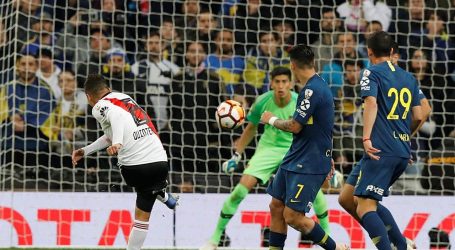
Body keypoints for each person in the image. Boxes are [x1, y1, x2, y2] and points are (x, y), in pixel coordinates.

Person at [202, 66, 331, 250]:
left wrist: (323, 157)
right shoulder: (262, 101)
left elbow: (315, 131)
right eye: (277, 82)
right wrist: (236, 155)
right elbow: (251, 128)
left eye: (284, 82)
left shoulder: (299, 101)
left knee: (316, 194)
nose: (280, 86)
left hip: (293, 149)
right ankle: (214, 239)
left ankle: (328, 236)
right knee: (240, 190)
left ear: (291, 83)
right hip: (267, 149)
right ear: (271, 83)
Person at [338, 40, 432, 248]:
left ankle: (395, 245)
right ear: (391, 52)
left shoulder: (371, 72)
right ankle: (401, 243)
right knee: (347, 198)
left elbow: (370, 103)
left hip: (379, 149)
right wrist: (404, 137)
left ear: (369, 52)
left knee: (365, 206)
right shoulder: (408, 76)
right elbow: (421, 113)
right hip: (397, 148)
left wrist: (366, 138)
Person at [72, 74, 178, 250]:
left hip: (135, 167)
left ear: (88, 96)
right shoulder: (124, 97)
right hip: (160, 160)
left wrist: (118, 143)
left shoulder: (99, 106)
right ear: (108, 88)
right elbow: (112, 132)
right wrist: (86, 151)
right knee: (146, 201)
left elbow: (117, 118)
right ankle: (162, 194)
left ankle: (160, 193)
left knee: (141, 210)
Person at [260, 45, 347, 250]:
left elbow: (295, 126)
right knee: (276, 206)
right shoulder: (315, 86)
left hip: (309, 162)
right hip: (296, 157)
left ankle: (335, 248)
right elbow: (322, 125)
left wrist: (270, 119)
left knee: (293, 216)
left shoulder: (312, 90)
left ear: (292, 65)